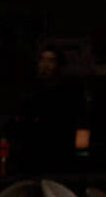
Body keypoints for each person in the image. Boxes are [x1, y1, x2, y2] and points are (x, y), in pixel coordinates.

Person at [7, 44, 85, 173]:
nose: (45, 65)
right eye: (42, 60)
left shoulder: (67, 93)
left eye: (51, 60)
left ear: (59, 66)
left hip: (58, 154)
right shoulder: (30, 92)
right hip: (31, 154)